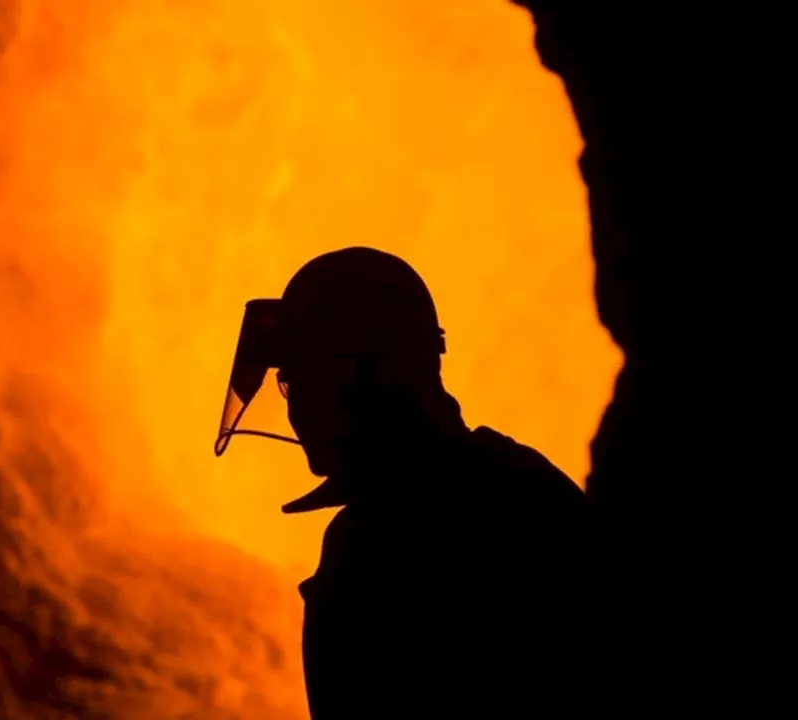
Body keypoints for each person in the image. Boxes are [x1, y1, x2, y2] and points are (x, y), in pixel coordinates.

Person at [215, 247, 596, 715]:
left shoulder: (370, 545)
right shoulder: (530, 489)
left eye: (300, 381)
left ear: (358, 378)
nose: (296, 409)